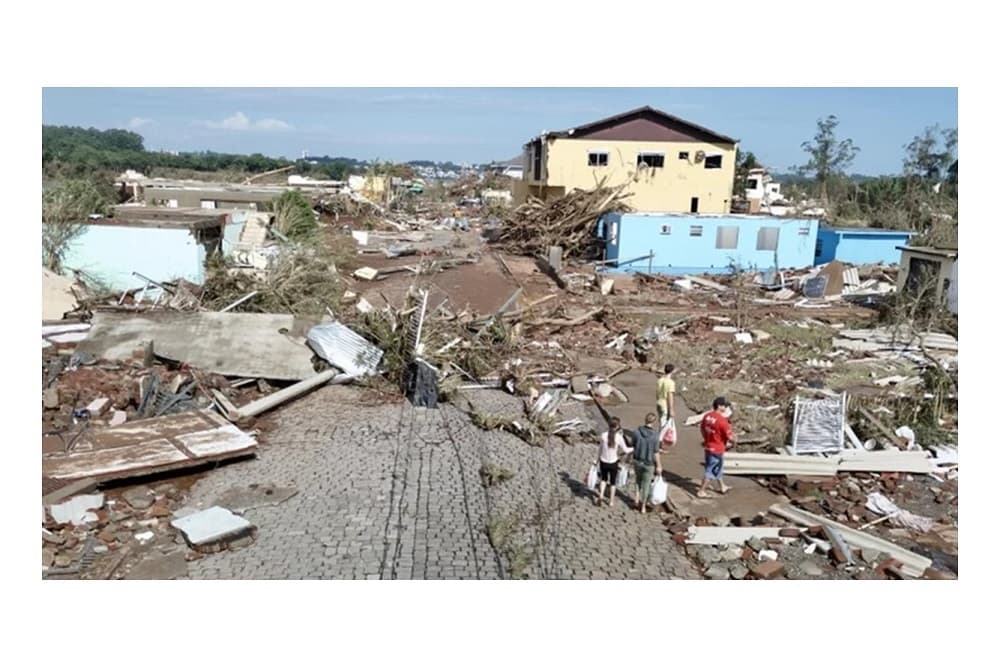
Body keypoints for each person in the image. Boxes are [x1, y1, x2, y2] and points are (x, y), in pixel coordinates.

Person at [698, 397, 736, 498]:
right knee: (710, 470)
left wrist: (706, 440)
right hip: (718, 448)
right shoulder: (722, 421)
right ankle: (701, 491)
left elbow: (702, 429)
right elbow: (730, 437)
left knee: (717, 467)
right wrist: (734, 441)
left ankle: (722, 486)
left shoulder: (707, 416)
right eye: (725, 406)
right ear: (719, 406)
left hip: (709, 446)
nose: (726, 408)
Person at [630, 413, 663, 513]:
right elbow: (656, 452)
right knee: (646, 484)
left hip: (637, 460)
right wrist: (659, 465)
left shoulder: (636, 432)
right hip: (649, 463)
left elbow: (633, 445)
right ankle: (643, 506)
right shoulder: (655, 435)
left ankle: (636, 498)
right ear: (654, 422)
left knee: (638, 480)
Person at [596, 417, 632, 508]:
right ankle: (611, 501)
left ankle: (601, 495)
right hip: (613, 462)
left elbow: (600, 449)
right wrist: (634, 448)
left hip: (603, 461)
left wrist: (597, 459)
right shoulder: (619, 437)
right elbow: (626, 450)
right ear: (617, 426)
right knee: (612, 482)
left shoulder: (603, 435)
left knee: (603, 479)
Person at [656, 363, 676, 429]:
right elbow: (670, 396)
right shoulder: (670, 382)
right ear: (672, 371)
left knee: (661, 421)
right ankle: (662, 438)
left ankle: (660, 436)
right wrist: (671, 409)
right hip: (665, 404)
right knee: (665, 424)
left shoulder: (659, 380)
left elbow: (657, 393)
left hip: (659, 402)